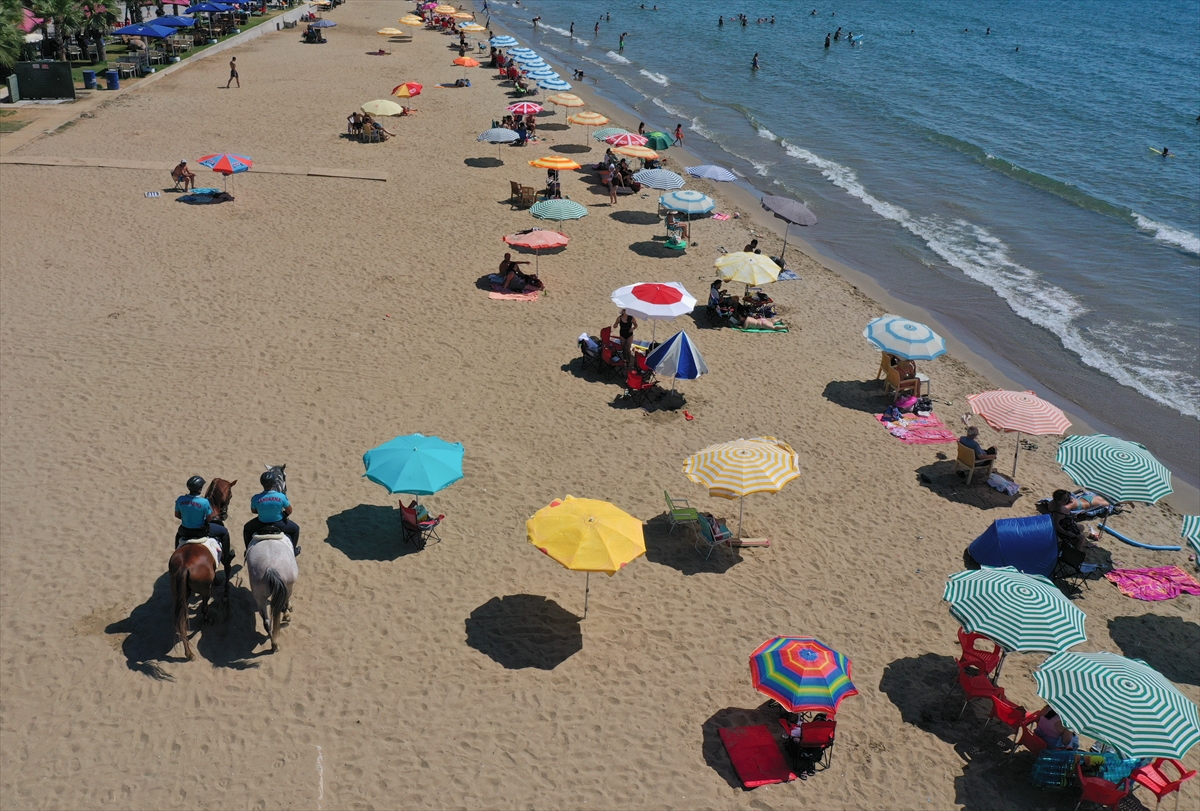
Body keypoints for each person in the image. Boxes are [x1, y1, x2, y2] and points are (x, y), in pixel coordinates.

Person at [175, 476, 232, 563]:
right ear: (200, 489)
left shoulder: (180, 499)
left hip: (185, 531)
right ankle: (226, 558)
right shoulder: (204, 502)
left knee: (178, 536)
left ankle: (176, 551)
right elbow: (209, 519)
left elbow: (177, 515)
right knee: (224, 532)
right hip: (200, 532)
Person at [243, 470, 300, 556]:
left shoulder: (256, 498)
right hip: (279, 523)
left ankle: (248, 550)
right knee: (296, 529)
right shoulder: (281, 496)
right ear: (274, 483)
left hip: (261, 523)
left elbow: (253, 511)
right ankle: (294, 550)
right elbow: (289, 511)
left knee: (247, 529)